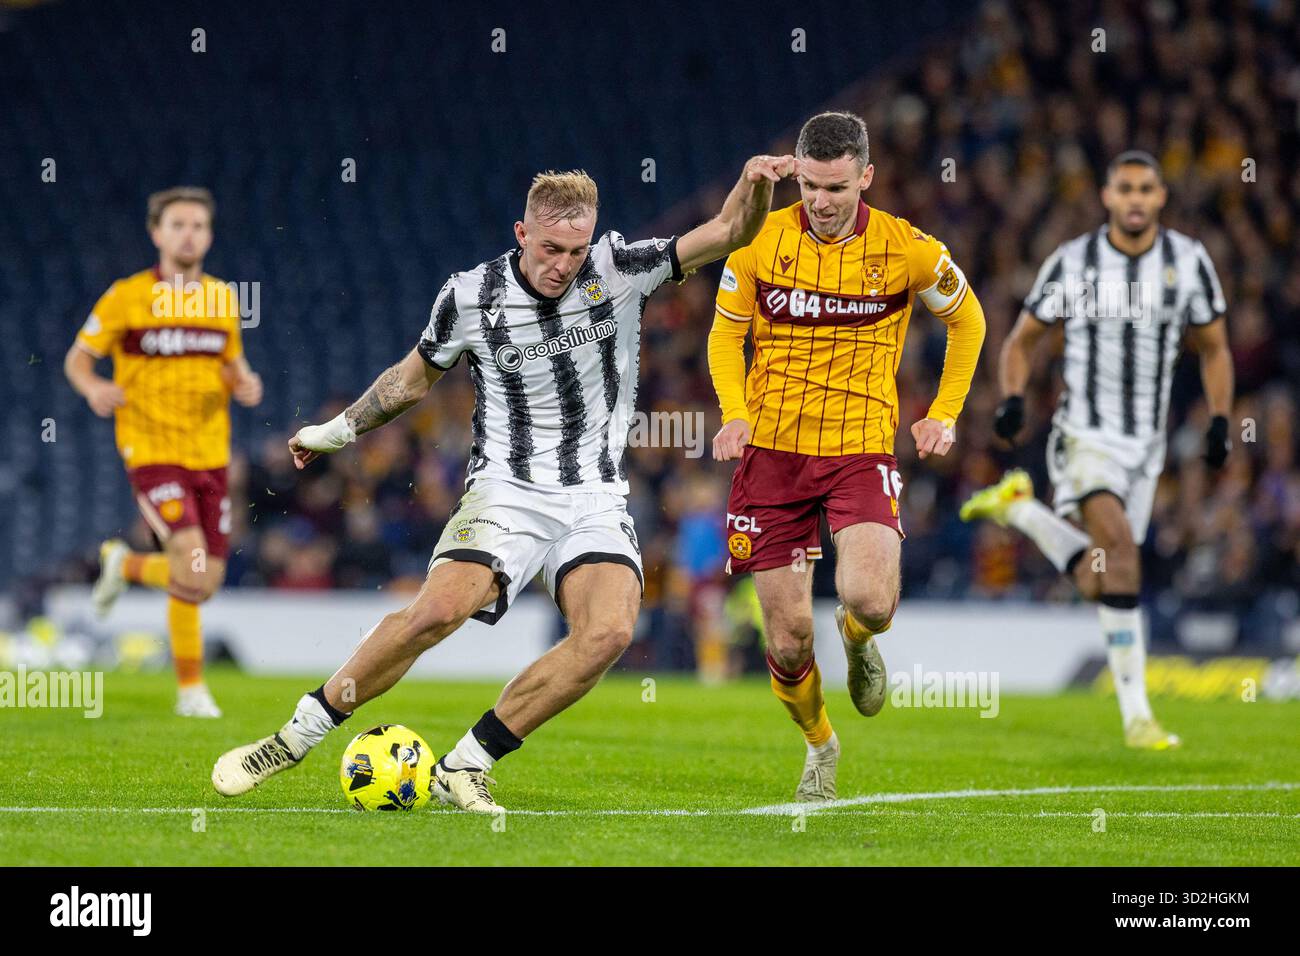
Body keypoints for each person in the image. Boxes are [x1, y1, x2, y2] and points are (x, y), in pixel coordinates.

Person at [212, 156, 797, 811]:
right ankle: (295, 737)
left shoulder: (618, 269)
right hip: (505, 492)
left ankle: (467, 763)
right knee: (437, 611)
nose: (564, 264)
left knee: (608, 633)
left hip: (594, 496)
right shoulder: (469, 295)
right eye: (550, 249)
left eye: (576, 250)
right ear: (522, 233)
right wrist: (338, 431)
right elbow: (411, 379)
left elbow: (728, 231)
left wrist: (756, 185)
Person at [708, 112, 986, 801]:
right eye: (809, 186)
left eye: (836, 187)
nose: (823, 202)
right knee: (789, 640)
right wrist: (735, 416)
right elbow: (724, 335)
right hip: (771, 453)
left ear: (865, 176)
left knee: (871, 601)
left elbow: (968, 319)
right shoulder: (756, 242)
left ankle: (859, 637)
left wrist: (944, 414)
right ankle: (820, 746)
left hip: (860, 446)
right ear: (794, 175)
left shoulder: (906, 248)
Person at [960, 150, 1234, 750]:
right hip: (1083, 436)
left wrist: (1219, 418)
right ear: (1107, 197)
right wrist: (1012, 397)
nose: (1135, 199)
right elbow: (1020, 341)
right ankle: (1138, 717)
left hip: (1146, 447)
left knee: (1100, 579)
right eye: (1124, 189)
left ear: (1161, 197)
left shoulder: (1188, 262)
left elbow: (1214, 347)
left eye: (1146, 189)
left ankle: (1022, 511)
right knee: (1121, 552)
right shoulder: (1074, 262)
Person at [65, 187, 263, 717]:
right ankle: (191, 690)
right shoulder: (126, 296)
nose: (188, 233)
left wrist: (244, 383)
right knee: (189, 559)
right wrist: (93, 389)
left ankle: (124, 565)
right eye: (177, 224)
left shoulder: (223, 299)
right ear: (156, 233)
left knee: (207, 581)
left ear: (210, 235)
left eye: (198, 225)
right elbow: (77, 361)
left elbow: (231, 365)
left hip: (210, 451)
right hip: (151, 447)